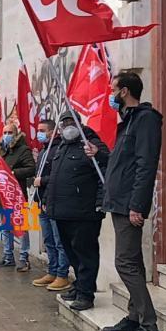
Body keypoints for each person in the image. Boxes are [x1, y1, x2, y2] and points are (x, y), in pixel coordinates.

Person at [101, 71, 163, 331]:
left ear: (124, 91)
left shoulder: (146, 120)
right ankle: (134, 316)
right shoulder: (126, 122)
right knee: (133, 261)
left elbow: (145, 164)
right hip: (119, 201)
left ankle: (150, 328)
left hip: (130, 204)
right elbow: (123, 162)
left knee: (124, 263)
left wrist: (138, 204)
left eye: (112, 88)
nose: (109, 93)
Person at [47, 111, 109, 311]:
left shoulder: (93, 145)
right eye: (63, 123)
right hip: (62, 212)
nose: (67, 126)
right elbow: (55, 177)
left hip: (85, 212)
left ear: (80, 124)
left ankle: (86, 294)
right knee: (72, 253)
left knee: (86, 254)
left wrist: (101, 202)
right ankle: (79, 285)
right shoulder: (61, 147)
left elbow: (105, 173)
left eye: (70, 122)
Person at [31, 119, 72, 291]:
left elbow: (58, 176)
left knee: (59, 240)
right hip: (42, 202)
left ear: (52, 131)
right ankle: (52, 271)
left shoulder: (58, 149)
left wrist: (42, 182)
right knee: (48, 240)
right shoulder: (43, 151)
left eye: (42, 130)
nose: (39, 133)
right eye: (38, 129)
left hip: (53, 201)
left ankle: (62, 275)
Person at [0, 122, 37, 271]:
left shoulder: (23, 150)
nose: (6, 136)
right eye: (4, 132)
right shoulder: (1, 151)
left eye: (9, 132)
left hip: (17, 196)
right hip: (3, 196)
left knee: (21, 227)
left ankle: (24, 258)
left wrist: (13, 173)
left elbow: (31, 169)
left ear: (16, 134)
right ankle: (8, 256)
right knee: (6, 227)